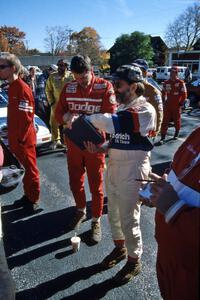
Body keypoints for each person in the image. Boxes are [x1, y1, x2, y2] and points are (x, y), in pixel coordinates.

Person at [84, 65, 156, 283]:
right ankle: (120, 249)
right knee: (114, 214)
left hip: (134, 169)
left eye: (119, 84)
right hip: (115, 166)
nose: (114, 89)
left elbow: (115, 124)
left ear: (133, 87)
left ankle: (135, 261)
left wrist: (86, 118)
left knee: (129, 219)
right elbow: (118, 139)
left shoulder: (145, 109)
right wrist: (101, 148)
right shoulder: (125, 108)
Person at [55, 55, 117, 242]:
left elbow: (112, 118)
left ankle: (96, 220)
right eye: (77, 77)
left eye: (84, 77)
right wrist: (67, 117)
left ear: (92, 71)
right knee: (75, 181)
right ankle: (80, 210)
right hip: (73, 142)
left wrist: (88, 120)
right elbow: (58, 112)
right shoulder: (69, 87)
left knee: (96, 185)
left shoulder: (105, 86)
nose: (81, 81)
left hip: (94, 145)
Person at [140, 126, 200, 300]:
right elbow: (177, 172)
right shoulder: (197, 134)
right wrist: (160, 191)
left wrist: (174, 207)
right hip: (168, 255)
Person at [0, 54, 40, 212]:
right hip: (16, 139)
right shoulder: (12, 87)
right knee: (24, 168)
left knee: (31, 170)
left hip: (24, 140)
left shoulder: (22, 88)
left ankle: (34, 200)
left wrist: (20, 140)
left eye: (2, 67)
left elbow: (26, 118)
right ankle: (28, 195)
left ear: (13, 68)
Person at [45, 59, 72, 149]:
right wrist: (51, 101)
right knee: (53, 122)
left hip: (68, 105)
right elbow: (48, 90)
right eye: (59, 65)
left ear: (66, 66)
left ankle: (67, 142)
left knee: (67, 123)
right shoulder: (52, 77)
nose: (59, 67)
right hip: (55, 104)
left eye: (62, 65)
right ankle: (56, 141)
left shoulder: (71, 76)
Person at [132, 59, 163, 135]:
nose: (135, 72)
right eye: (134, 70)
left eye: (138, 70)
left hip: (145, 131)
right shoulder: (129, 87)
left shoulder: (153, 91)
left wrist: (156, 130)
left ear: (145, 73)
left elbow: (159, 112)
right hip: (130, 128)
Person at [159, 66, 187, 144]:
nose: (172, 74)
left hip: (176, 105)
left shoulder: (181, 83)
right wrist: (163, 101)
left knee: (177, 120)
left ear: (177, 73)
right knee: (165, 121)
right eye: (171, 72)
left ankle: (176, 133)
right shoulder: (166, 82)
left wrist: (181, 103)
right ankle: (162, 138)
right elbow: (163, 93)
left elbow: (184, 94)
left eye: (174, 72)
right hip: (168, 105)